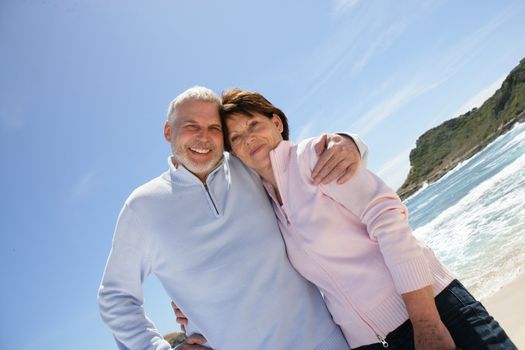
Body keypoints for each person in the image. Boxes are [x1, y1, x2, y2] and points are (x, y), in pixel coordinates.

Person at [209, 88, 516, 350]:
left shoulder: (314, 157)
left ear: (276, 122)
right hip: (372, 342)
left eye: (253, 124)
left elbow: (388, 220)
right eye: (236, 137)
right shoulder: (265, 203)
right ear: (233, 153)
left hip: (434, 311)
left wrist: (426, 322)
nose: (248, 139)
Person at [98, 86, 366, 350]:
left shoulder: (248, 166)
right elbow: (116, 298)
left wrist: (350, 142)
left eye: (214, 128)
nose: (204, 137)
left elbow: (303, 159)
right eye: (191, 126)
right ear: (168, 131)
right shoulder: (142, 207)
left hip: (325, 341)